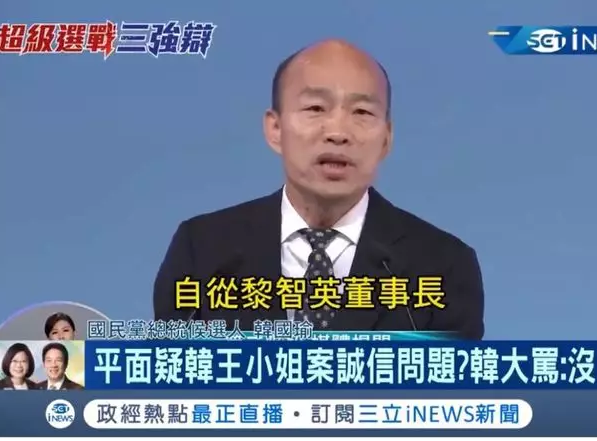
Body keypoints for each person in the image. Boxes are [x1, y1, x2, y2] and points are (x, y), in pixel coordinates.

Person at [153, 39, 485, 339]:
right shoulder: (203, 248)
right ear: (275, 129)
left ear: (386, 139)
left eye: (362, 112)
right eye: (315, 108)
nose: (338, 132)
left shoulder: (443, 265)